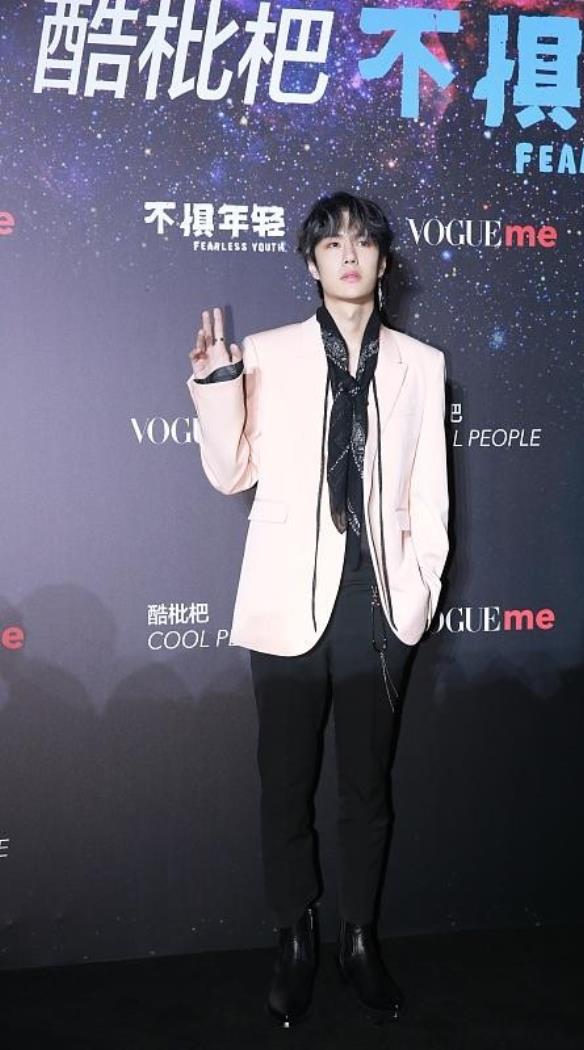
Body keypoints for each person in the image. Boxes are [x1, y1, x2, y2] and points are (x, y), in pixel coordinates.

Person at [186, 191, 449, 1026]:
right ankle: (294, 938)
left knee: (367, 789)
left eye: (363, 242)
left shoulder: (421, 363)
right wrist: (219, 385)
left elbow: (430, 495)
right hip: (286, 598)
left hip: (379, 607)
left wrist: (419, 591)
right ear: (311, 262)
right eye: (332, 244)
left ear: (383, 260)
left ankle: (358, 939)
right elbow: (231, 473)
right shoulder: (266, 353)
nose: (349, 255)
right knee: (286, 784)